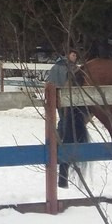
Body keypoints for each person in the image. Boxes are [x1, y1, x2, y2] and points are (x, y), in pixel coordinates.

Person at [47, 49, 89, 188]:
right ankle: (59, 140)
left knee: (65, 120)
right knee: (64, 120)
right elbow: (54, 81)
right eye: (73, 54)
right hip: (61, 97)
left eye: (76, 55)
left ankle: (60, 139)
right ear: (68, 55)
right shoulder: (61, 67)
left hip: (69, 98)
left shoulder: (74, 69)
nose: (74, 57)